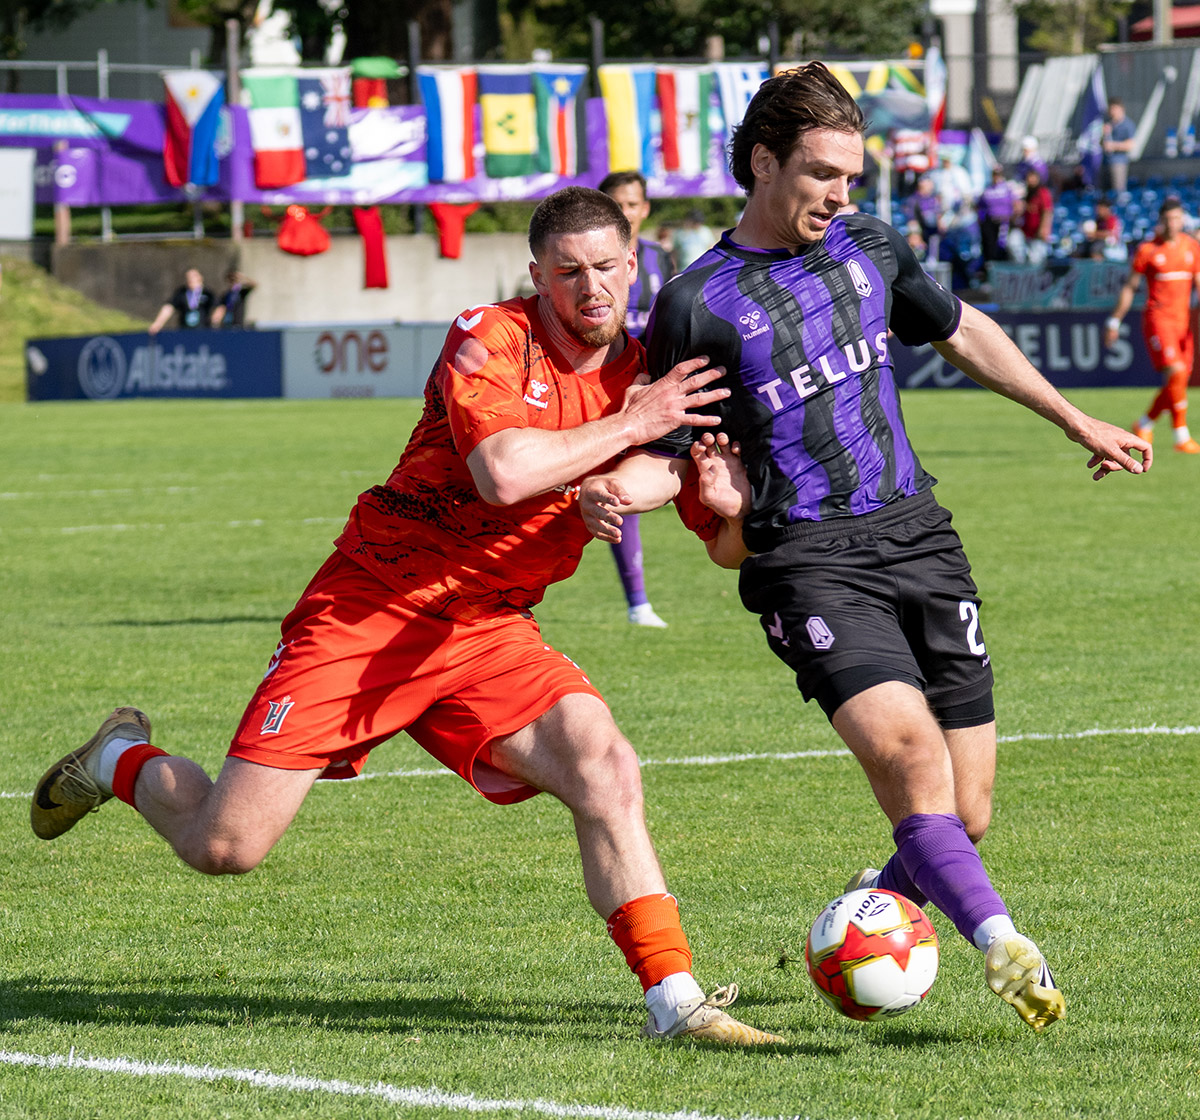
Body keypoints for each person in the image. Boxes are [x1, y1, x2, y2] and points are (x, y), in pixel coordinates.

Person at [30, 187, 783, 1049]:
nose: (591, 288)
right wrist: (630, 424)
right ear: (536, 275)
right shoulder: (490, 336)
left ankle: (676, 1003)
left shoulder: (650, 378)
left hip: (489, 629)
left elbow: (726, 548)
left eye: (607, 268)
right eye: (568, 272)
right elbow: (503, 472)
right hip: (371, 611)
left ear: (634, 264)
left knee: (603, 763)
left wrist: (732, 509)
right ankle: (119, 755)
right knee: (225, 845)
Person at [578, 62, 1152, 1034]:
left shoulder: (871, 248)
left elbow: (962, 331)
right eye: (824, 174)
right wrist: (620, 488)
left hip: (922, 539)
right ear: (764, 163)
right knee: (913, 763)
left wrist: (1072, 419)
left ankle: (869, 912)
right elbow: (669, 462)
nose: (845, 196)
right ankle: (1005, 947)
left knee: (962, 816)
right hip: (808, 561)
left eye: (854, 176)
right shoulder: (697, 305)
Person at [598, 170, 676, 627]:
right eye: (616, 203)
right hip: (606, 387)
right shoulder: (594, 262)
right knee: (616, 487)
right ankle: (638, 603)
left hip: (653, 386)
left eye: (632, 204)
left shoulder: (658, 258)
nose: (625, 212)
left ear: (644, 209)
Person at [1105, 197, 1200, 453]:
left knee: (1178, 380)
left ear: (1183, 220)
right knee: (1177, 373)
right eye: (1168, 219)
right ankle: (1181, 437)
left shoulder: (1192, 247)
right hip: (1159, 320)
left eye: (1177, 218)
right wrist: (1114, 320)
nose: (1173, 223)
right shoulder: (1148, 250)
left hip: (1184, 323)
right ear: (1161, 221)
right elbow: (1130, 287)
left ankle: (1144, 423)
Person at [148, 268, 216, 335]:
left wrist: (215, 324)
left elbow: (217, 309)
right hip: (184, 331)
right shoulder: (181, 293)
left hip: (203, 331)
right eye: (188, 277)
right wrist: (158, 323)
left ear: (200, 277)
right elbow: (169, 307)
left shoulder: (208, 293)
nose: (191, 279)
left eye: (193, 276)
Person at [1008, 170, 1054, 267]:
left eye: (1033, 178)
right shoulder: (1026, 193)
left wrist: (1044, 229)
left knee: (1035, 260)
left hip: (1037, 233)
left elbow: (1047, 211)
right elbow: (1017, 212)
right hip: (1025, 231)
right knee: (1013, 241)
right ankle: (1020, 272)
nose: (1031, 180)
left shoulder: (1042, 193)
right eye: (1029, 178)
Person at [976, 165, 1020, 265]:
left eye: (998, 175)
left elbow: (1016, 204)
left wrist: (1012, 218)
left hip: (1004, 222)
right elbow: (979, 206)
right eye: (995, 175)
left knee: (1004, 246)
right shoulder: (987, 189)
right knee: (990, 248)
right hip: (990, 222)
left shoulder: (1007, 189)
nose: (996, 177)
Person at [1102, 99, 1136, 198]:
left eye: (1114, 109)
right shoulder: (1108, 124)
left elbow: (1130, 145)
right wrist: (1104, 134)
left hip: (1118, 162)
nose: (1112, 112)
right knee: (1104, 193)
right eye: (1110, 109)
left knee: (1118, 191)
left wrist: (1113, 145)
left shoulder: (1127, 124)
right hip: (1105, 161)